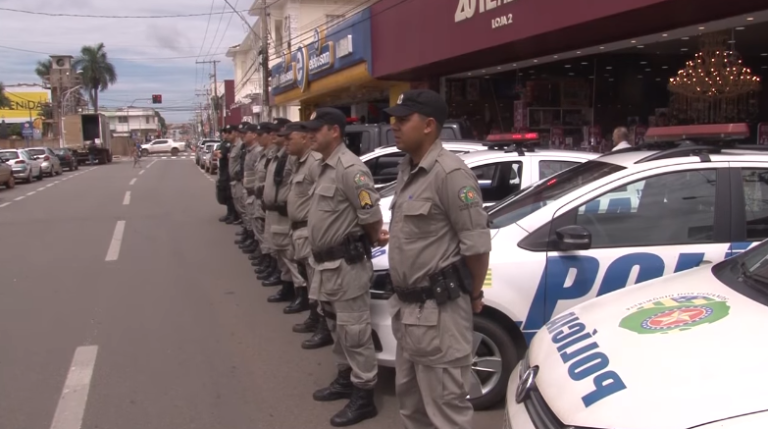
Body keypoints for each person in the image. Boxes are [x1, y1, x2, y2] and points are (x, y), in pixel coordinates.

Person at [384, 89, 492, 429]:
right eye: (394, 120)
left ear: (429, 125)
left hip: (440, 316)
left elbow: (476, 246)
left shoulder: (451, 174)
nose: (394, 126)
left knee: (446, 414)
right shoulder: (409, 168)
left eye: (403, 120)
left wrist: (474, 294)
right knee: (413, 410)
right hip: (408, 313)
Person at [304, 108, 384, 427]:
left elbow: (371, 217)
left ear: (334, 131)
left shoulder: (351, 169)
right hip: (326, 266)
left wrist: (371, 238)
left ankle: (364, 395)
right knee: (337, 329)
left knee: (354, 332)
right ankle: (345, 378)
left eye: (316, 129)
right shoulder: (324, 167)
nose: (311, 134)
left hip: (346, 266)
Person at [285, 122, 334, 350]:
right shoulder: (298, 162)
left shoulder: (314, 163)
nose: (286, 142)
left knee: (317, 283)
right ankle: (315, 318)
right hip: (299, 231)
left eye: (290, 138)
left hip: (309, 230)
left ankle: (324, 325)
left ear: (304, 139)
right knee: (309, 278)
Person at [263, 119, 305, 307]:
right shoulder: (279, 155)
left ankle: (301, 295)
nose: (274, 136)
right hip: (276, 211)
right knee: (280, 253)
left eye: (278, 133)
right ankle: (288, 287)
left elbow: (367, 207)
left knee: (291, 256)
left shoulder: (293, 158)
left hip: (288, 214)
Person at [217, 126, 239, 224]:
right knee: (226, 195)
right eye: (225, 133)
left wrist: (217, 154)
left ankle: (234, 215)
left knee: (230, 195)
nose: (225, 135)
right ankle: (229, 213)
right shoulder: (225, 144)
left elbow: (222, 155)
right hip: (224, 172)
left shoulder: (231, 145)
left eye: (228, 133)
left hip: (228, 173)